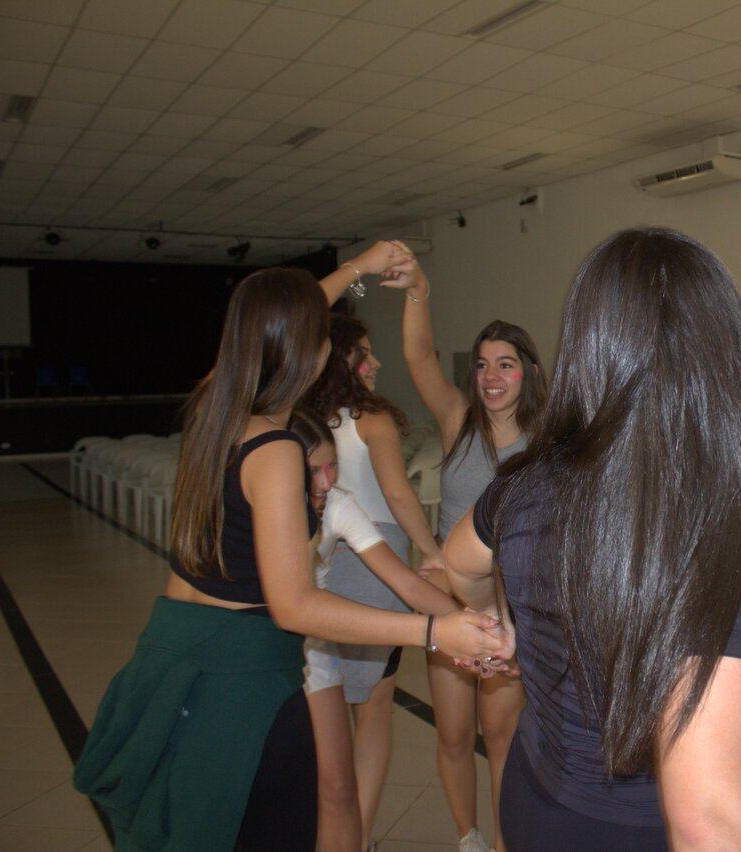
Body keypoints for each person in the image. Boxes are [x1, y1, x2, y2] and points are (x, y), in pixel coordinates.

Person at [73, 251, 507, 851]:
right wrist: (436, 633)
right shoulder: (276, 448)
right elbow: (295, 605)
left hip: (171, 652)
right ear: (310, 348)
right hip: (239, 677)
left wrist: (358, 266)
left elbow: (264, 327)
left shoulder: (212, 414)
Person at [442, 227, 741, 850]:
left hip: (532, 799)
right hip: (630, 830)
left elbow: (459, 565)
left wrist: (502, 622)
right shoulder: (716, 531)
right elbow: (708, 820)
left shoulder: (524, 483)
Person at [396, 254, 546, 851]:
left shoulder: (546, 443)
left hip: (512, 610)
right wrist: (418, 291)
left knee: (500, 734)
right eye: (482, 365)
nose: (491, 376)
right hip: (449, 602)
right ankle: (469, 838)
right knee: (455, 734)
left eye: (505, 364)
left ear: (528, 372)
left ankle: (506, 841)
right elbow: (418, 359)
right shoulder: (458, 420)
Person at [287, 408, 480, 852]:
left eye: (333, 466)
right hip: (270, 652)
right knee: (293, 782)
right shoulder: (269, 513)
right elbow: (293, 606)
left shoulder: (338, 504)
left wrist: (471, 624)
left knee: (339, 787)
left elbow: (405, 582)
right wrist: (434, 632)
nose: (326, 481)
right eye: (314, 470)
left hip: (316, 653)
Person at [302, 312, 451, 848]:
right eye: (364, 353)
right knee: (374, 711)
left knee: (328, 702)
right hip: (373, 560)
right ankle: (358, 834)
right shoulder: (373, 418)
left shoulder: (304, 419)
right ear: (341, 358)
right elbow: (398, 494)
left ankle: (333, 829)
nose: (376, 362)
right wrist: (432, 551)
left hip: (321, 561)